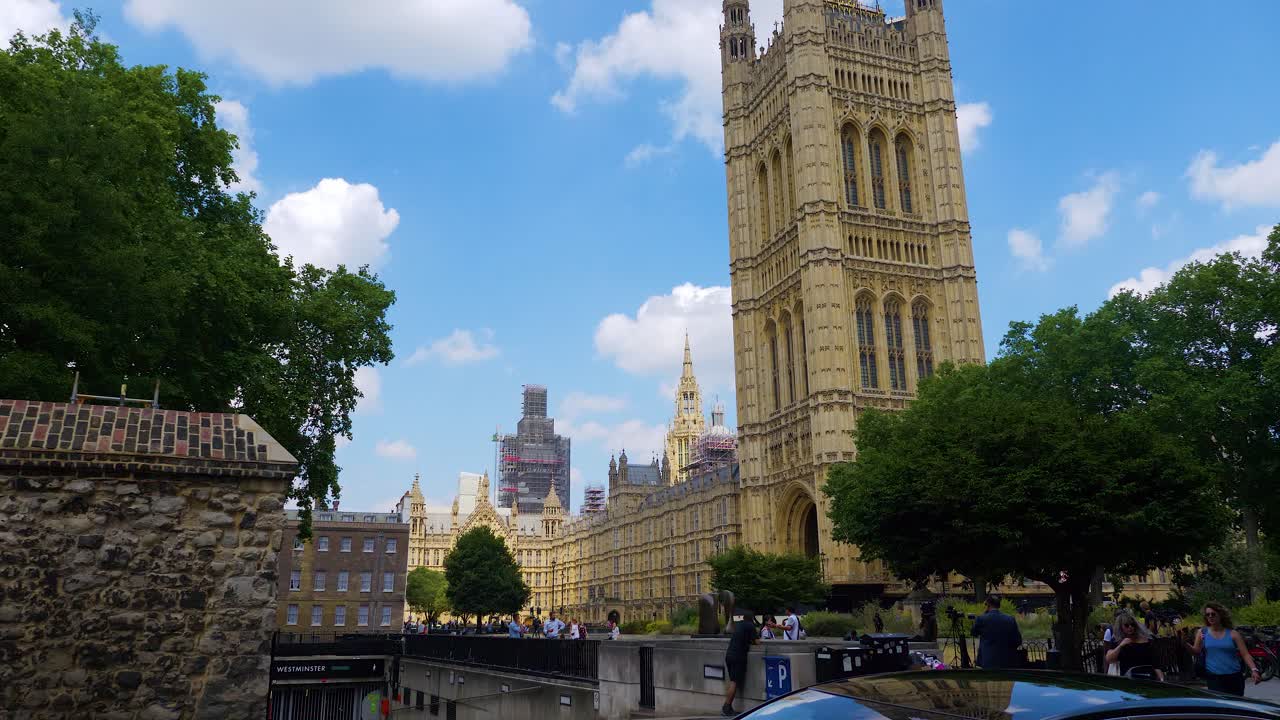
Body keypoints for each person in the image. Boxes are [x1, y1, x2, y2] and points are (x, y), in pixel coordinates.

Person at [1185, 602, 1261, 696]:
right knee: (1220, 707)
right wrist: (1185, 644)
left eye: (1213, 614)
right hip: (1214, 677)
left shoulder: (1233, 634)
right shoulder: (1202, 632)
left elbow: (1245, 654)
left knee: (1235, 706)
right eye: (1208, 614)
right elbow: (1196, 651)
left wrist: (1254, 669)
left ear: (1220, 615)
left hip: (1234, 677)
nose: (1210, 617)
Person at [1104, 611, 1164, 680]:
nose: (1130, 627)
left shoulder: (1147, 640)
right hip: (1129, 680)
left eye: (1133, 625)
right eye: (1126, 625)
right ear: (1121, 627)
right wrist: (1120, 646)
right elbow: (1109, 659)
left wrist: (1161, 679)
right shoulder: (1118, 641)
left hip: (1149, 677)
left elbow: (1155, 664)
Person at [971, 596, 1022, 669]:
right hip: (1008, 660)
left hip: (988, 660)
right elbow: (1018, 640)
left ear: (988, 605)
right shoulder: (1010, 619)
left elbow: (973, 633)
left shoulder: (981, 619)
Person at [723, 610, 756, 717]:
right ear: (751, 618)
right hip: (738, 656)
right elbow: (757, 641)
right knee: (734, 682)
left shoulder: (738, 625)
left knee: (733, 680)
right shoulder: (750, 626)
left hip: (729, 655)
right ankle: (726, 707)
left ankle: (728, 707)